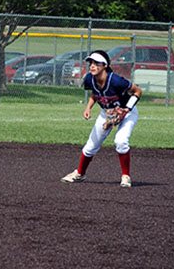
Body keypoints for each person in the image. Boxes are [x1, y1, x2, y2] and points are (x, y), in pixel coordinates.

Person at [61, 49, 142, 188]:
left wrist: (126, 109)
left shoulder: (115, 80)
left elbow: (137, 91)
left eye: (96, 63)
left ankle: (125, 176)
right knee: (90, 147)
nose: (92, 66)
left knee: (121, 141)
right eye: (91, 63)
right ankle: (80, 174)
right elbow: (95, 93)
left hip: (127, 113)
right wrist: (88, 108)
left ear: (105, 65)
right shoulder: (89, 78)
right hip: (106, 113)